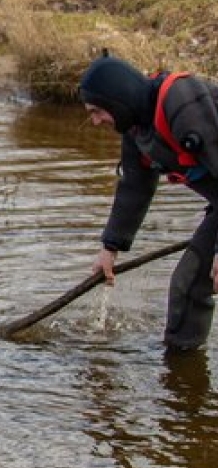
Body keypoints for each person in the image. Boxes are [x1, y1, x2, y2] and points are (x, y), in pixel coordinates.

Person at [79, 53, 218, 351]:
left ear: (117, 99)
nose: (95, 121)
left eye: (97, 111)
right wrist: (110, 247)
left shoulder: (181, 102)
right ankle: (180, 375)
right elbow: (134, 188)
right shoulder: (136, 129)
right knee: (188, 285)